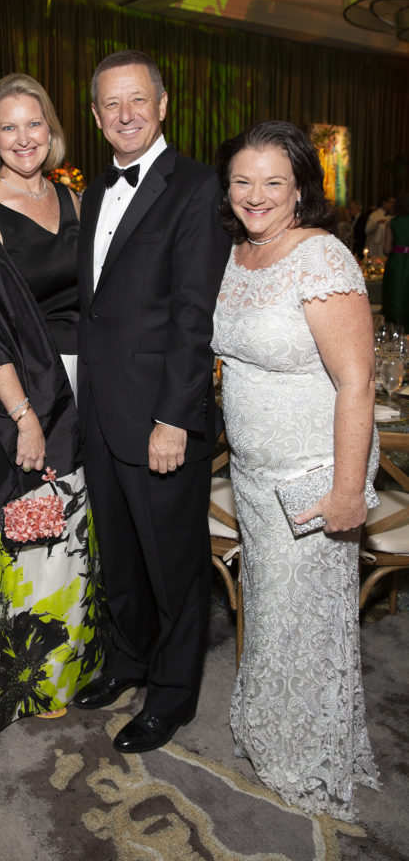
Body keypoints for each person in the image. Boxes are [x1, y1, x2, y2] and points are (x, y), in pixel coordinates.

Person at [211, 120, 379, 818]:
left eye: (273, 182)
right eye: (243, 181)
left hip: (312, 471)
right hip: (252, 471)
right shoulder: (238, 254)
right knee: (272, 611)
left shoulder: (323, 257)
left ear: (301, 188)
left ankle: (308, 751)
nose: (256, 196)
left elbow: (358, 382)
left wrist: (345, 490)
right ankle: (271, 728)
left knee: (308, 620)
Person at [74, 50, 230, 754]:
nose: (125, 114)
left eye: (138, 100)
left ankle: (172, 696)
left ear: (163, 105)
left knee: (174, 564)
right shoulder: (94, 190)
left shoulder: (198, 187)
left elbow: (196, 317)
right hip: (103, 412)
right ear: (98, 116)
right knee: (121, 555)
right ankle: (127, 661)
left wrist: (174, 418)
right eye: (112, 104)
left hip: (162, 417)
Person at [0, 74, 104, 742]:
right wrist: (26, 417)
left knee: (65, 540)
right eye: (7, 127)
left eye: (32, 124)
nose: (23, 138)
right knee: (13, 537)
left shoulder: (72, 199)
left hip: (81, 383)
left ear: (53, 130)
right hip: (14, 390)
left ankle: (58, 676)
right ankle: (1, 693)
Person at [382, 190, 409, 329]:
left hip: (397, 262)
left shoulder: (392, 223)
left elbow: (386, 249)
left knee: (395, 295)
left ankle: (395, 329)